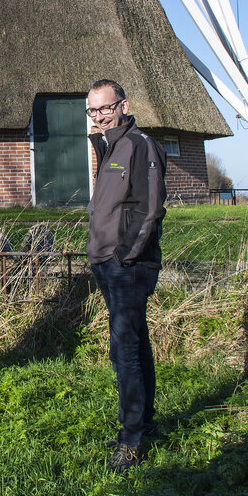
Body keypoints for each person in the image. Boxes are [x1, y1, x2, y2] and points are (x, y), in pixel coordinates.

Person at [85, 79, 167, 473]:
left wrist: (125, 256)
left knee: (125, 352)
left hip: (127, 266)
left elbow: (150, 208)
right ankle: (145, 424)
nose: (99, 116)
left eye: (105, 108)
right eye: (93, 110)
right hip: (105, 262)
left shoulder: (140, 145)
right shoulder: (109, 145)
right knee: (136, 342)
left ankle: (131, 439)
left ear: (123, 105)